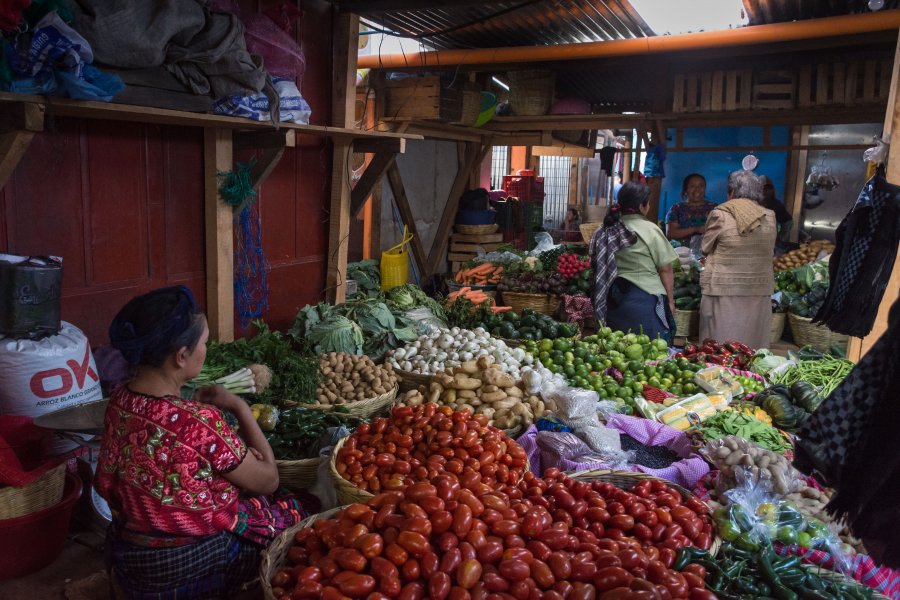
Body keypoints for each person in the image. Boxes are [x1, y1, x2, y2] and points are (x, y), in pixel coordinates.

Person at [96, 286, 303, 599]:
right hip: (174, 563)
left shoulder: (120, 400)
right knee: (293, 511)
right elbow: (269, 480)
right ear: (181, 356)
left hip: (127, 550)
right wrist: (240, 408)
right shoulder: (198, 421)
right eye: (205, 343)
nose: (206, 348)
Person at [590, 181, 678, 343]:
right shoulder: (649, 229)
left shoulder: (605, 229)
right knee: (652, 353)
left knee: (618, 353)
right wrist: (671, 302)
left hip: (613, 303)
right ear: (643, 206)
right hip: (645, 304)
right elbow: (665, 268)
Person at [699, 170, 776, 349]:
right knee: (752, 347)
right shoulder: (769, 216)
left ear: (732, 192)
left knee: (721, 348)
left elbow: (705, 247)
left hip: (724, 290)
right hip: (758, 290)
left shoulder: (721, 214)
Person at [666, 173, 717, 243]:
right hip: (682, 251)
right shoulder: (676, 209)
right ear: (685, 189)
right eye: (692, 186)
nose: (697, 189)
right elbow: (670, 234)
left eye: (701, 186)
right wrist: (696, 229)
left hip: (709, 250)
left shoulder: (714, 208)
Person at [759, 175, 793, 241]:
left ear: (772, 190)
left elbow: (788, 222)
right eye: (762, 188)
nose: (765, 191)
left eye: (768, 189)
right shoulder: (754, 202)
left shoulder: (777, 205)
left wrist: (780, 238)